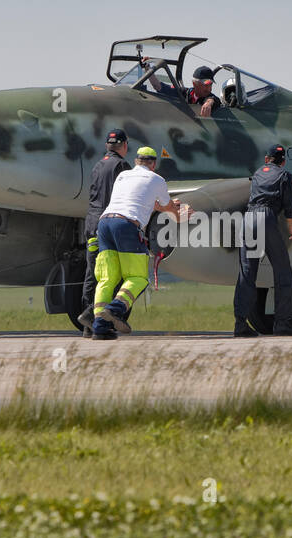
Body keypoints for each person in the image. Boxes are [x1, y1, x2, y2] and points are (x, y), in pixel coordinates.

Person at [91, 146, 186, 340]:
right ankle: (115, 309)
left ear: (136, 161)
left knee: (107, 278)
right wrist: (179, 215)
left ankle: (99, 327)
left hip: (105, 222)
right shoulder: (157, 179)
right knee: (138, 278)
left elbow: (143, 201)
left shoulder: (123, 176)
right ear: (153, 164)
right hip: (126, 225)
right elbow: (168, 208)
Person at [232, 145, 292, 337]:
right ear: (282, 161)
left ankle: (240, 325)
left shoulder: (258, 173)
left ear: (267, 159)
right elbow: (288, 202)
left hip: (249, 219)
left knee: (247, 274)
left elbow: (268, 184)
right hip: (266, 219)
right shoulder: (284, 175)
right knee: (283, 272)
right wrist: (291, 225)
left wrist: (290, 179)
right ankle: (282, 324)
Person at [77, 129, 131, 336]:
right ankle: (101, 320)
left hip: (91, 223)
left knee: (92, 274)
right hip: (108, 224)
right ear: (124, 145)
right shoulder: (121, 166)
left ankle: (87, 325)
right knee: (113, 275)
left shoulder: (98, 165)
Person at [149, 64, 221, 117]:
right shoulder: (185, 93)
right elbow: (158, 86)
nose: (209, 89)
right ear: (195, 84)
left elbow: (215, 100)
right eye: (205, 85)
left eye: (210, 85)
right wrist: (148, 69)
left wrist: (209, 102)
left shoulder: (210, 98)